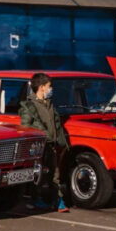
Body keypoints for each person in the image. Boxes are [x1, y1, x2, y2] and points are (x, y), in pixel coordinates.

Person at [20, 73, 70, 213]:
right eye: (49, 86)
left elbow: (57, 125)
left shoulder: (49, 104)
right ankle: (37, 200)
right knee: (39, 175)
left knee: (55, 174)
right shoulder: (29, 106)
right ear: (41, 87)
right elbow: (25, 127)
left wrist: (62, 142)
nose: (51, 89)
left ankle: (58, 200)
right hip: (38, 148)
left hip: (51, 146)